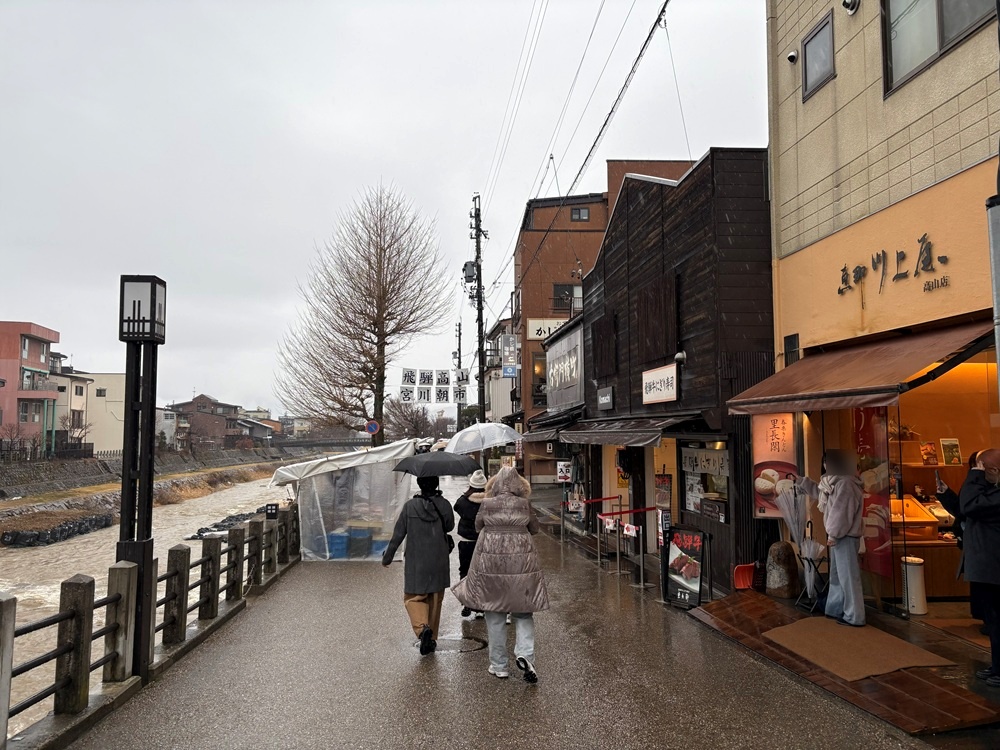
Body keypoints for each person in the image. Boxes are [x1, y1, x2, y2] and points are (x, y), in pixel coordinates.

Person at [452, 466, 549, 683]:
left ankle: (499, 666)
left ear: (494, 485)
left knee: (494, 614)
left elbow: (478, 526)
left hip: (492, 563)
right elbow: (535, 528)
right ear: (519, 486)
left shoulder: (487, 504)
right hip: (521, 563)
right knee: (523, 613)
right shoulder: (524, 505)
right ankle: (525, 654)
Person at [381, 475, 454, 656]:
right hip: (438, 559)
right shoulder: (444, 504)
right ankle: (432, 638)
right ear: (436, 484)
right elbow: (450, 526)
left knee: (414, 598)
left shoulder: (409, 507)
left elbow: (398, 534)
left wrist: (387, 557)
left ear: (420, 485)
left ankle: (423, 630)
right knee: (435, 600)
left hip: (417, 561)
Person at [796, 449, 865, 627]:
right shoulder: (834, 482)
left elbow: (841, 513)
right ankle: (835, 609)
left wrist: (833, 534)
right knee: (837, 576)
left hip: (845, 537)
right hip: (839, 536)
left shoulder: (846, 483)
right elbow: (821, 496)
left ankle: (854, 616)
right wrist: (803, 482)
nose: (827, 465)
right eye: (825, 461)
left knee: (848, 577)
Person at [958, 448, 1000, 687]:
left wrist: (974, 476)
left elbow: (970, 506)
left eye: (982, 470)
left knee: (997, 618)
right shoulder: (993, 492)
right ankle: (996, 666)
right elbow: (966, 507)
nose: (980, 475)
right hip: (989, 566)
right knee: (993, 620)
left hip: (993, 565)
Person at [454, 469, 488, 618]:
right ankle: (481, 606)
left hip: (466, 542)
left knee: (465, 572)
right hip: (485, 542)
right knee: (483, 574)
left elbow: (457, 508)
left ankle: (466, 602)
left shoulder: (463, 501)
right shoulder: (490, 501)